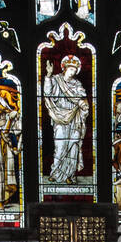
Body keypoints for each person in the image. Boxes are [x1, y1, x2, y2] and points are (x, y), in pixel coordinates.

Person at [43, 55, 89, 183]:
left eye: (74, 70)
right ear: (64, 69)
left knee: (73, 147)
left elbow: (82, 100)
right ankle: (56, 172)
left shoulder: (77, 84)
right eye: (70, 69)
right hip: (59, 119)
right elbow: (47, 92)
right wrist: (48, 75)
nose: (72, 72)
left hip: (74, 119)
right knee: (61, 146)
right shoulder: (56, 80)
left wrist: (83, 105)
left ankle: (70, 175)